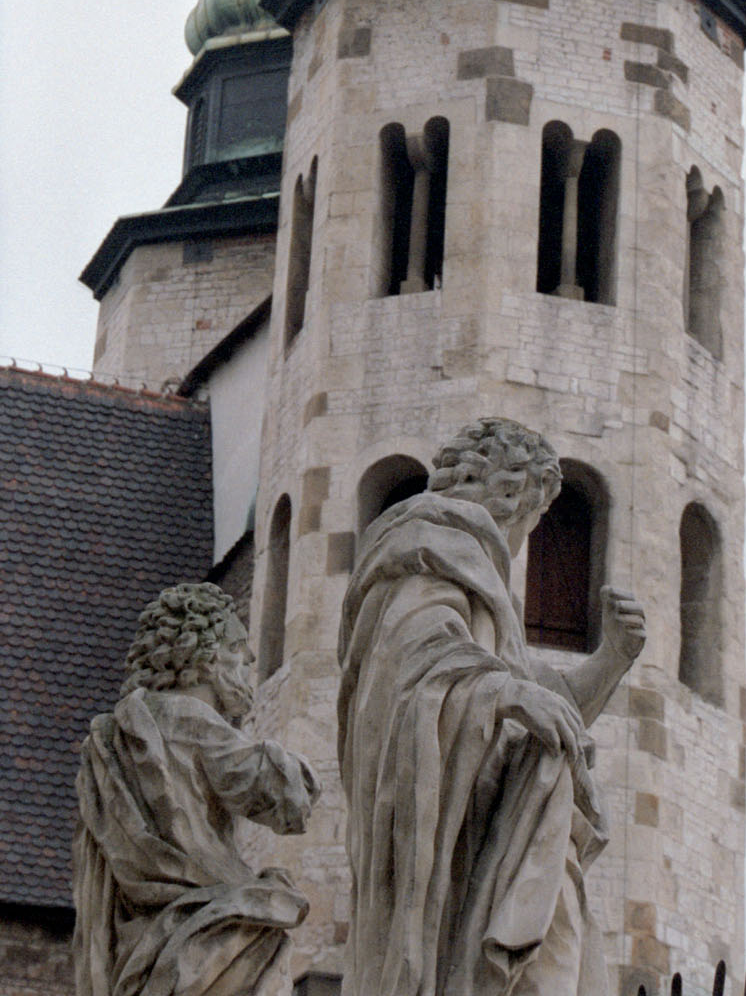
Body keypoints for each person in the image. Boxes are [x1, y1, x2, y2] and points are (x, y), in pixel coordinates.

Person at [338, 418, 646, 996]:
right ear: (511, 495)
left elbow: (540, 699)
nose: (530, 533)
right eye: (536, 515)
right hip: (460, 843)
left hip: (489, 825)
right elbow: (416, 659)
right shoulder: (429, 546)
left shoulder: (472, 573)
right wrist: (511, 693)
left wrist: (612, 659)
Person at [73, 583, 318, 996]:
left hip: (140, 939)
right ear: (205, 657)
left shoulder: (112, 735)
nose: (249, 664)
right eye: (239, 654)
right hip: (204, 933)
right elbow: (283, 795)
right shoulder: (191, 721)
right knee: (268, 920)